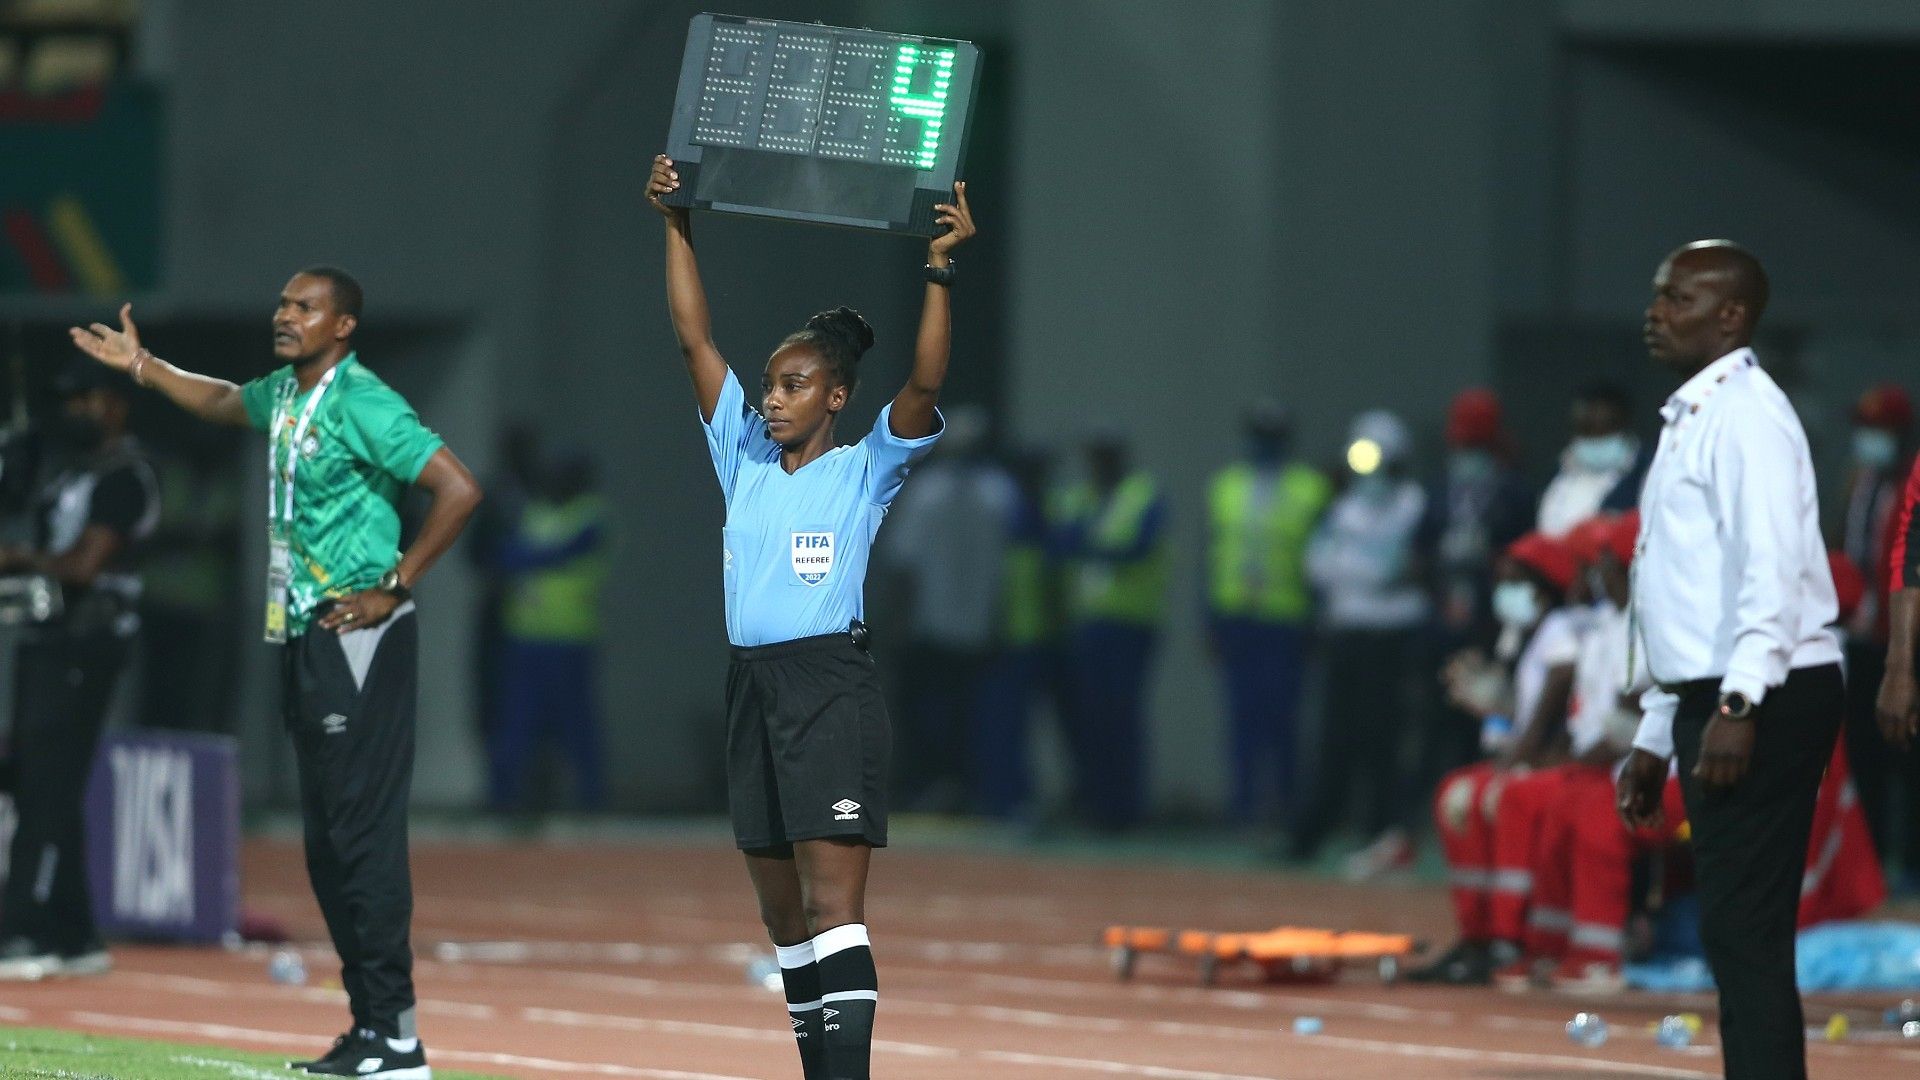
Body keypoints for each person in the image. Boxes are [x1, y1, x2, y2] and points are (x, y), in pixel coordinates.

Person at [66, 267, 483, 1079]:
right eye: (283, 303)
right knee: (328, 847)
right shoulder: (290, 396)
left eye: (304, 307)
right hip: (304, 634)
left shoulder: (365, 401)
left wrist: (393, 584)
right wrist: (145, 367)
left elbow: (458, 488)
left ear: (343, 327)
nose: (283, 315)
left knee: (360, 841)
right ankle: (370, 1029)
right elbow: (225, 401)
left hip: (359, 637)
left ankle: (397, 1038)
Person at [646, 153, 975, 1080]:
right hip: (750, 689)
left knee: (835, 911)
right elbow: (692, 340)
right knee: (783, 920)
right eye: (768, 384)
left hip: (827, 686)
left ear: (834, 396)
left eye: (792, 386)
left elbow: (922, 385)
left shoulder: (865, 468)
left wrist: (940, 270)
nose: (769, 397)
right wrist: (675, 224)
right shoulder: (739, 456)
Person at [1616, 240, 1843, 1080]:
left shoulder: (1746, 413)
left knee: (1744, 928)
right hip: (1715, 687)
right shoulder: (1696, 413)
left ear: (1731, 316)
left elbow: (1769, 567)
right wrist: (1654, 725)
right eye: (1658, 294)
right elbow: (1679, 590)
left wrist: (1740, 705)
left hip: (1762, 692)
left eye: (1677, 297)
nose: (1655, 312)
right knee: (1735, 929)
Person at [0, 362, 158, 981]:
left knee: (45, 782)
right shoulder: (64, 469)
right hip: (44, 639)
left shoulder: (129, 476)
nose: (74, 413)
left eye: (85, 400)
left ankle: (20, 928)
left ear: (115, 403)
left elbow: (85, 565)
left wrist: (17, 557)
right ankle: (74, 931)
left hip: (87, 643)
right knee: (43, 781)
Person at [1410, 532, 1581, 985]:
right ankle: (1476, 934)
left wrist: (1518, 758)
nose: (1504, 592)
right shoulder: (1519, 635)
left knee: (1494, 798)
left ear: (1543, 586)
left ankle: (1508, 936)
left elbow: (1559, 695)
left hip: (1555, 762)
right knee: (1455, 794)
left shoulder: (1560, 630)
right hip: (1526, 756)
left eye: (1515, 582)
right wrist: (1498, 707)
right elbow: (1516, 716)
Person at [1292, 410, 1429, 870]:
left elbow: (1400, 570)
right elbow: (1317, 567)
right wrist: (1367, 573)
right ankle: (1312, 832)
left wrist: (1363, 572)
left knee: (1382, 740)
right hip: (1346, 632)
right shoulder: (1343, 507)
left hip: (1391, 637)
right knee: (1334, 738)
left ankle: (1380, 834)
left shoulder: (1413, 505)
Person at [878, 406, 1017, 813]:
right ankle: (967, 792)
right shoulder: (1000, 494)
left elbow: (904, 566)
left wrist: (895, 622)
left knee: (927, 715)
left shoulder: (927, 493)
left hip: (931, 625)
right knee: (970, 717)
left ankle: (929, 790)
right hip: (977, 627)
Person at [1204, 399, 1331, 827]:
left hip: (1286, 618)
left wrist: (1318, 619)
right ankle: (1242, 808)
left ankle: (1286, 808)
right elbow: (1212, 554)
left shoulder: (1308, 487)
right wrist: (1209, 618)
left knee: (1283, 719)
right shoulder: (1227, 485)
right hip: (1238, 614)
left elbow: (1323, 559)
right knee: (1241, 718)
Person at [1054, 432, 1169, 831]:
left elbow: (1138, 547)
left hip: (1130, 623)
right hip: (1087, 623)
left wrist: (1090, 544)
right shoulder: (1080, 496)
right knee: (1091, 718)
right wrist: (1094, 545)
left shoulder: (1141, 495)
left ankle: (1125, 809)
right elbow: (1061, 542)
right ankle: (1097, 804)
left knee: (1122, 717)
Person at [488, 450, 609, 812]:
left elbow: (562, 552)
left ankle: (591, 801)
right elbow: (501, 555)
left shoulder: (592, 515)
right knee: (516, 722)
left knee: (577, 724)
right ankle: (504, 801)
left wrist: (528, 556)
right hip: (525, 639)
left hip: (571, 639)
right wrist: (526, 555)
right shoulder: (534, 512)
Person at [1838, 384, 1915, 875]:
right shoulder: (1861, 486)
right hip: (1862, 641)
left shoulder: (1913, 485)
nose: (1870, 439)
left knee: (1909, 760)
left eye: (1880, 430)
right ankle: (1869, 867)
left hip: (1906, 646)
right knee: (1863, 755)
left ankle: (1910, 865)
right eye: (1865, 429)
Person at [1536, 382, 1647, 537]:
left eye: (1603, 429)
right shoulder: (1561, 470)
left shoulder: (1644, 475)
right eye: (1587, 429)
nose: (1595, 438)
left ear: (1622, 424)